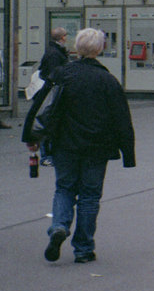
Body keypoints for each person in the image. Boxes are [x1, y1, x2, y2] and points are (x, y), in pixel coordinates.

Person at [27, 27, 135, 264]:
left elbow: (41, 107)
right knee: (89, 196)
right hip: (98, 147)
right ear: (100, 49)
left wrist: (32, 137)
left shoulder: (62, 74)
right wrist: (128, 153)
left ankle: (59, 226)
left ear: (77, 47)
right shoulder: (107, 80)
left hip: (65, 144)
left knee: (64, 187)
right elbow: (121, 118)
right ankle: (84, 249)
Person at [33, 27, 71, 163]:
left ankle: (49, 153)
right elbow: (55, 72)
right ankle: (46, 155)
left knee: (49, 119)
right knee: (48, 119)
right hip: (52, 90)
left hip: (51, 88)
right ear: (62, 38)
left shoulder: (53, 51)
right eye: (65, 35)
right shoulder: (55, 53)